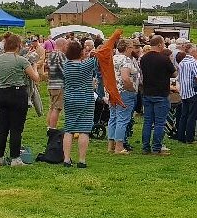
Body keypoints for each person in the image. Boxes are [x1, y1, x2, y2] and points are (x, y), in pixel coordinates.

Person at [61, 32, 120, 167]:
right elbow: (102, 53)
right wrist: (95, 51)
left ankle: (66, 159)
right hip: (85, 99)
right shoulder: (86, 65)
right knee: (84, 130)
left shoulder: (66, 66)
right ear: (80, 52)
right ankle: (81, 160)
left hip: (69, 98)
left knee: (69, 129)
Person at [0, 33, 39, 166]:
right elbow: (36, 78)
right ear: (18, 45)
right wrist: (34, 65)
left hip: (1, 93)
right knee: (16, 128)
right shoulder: (21, 61)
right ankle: (15, 158)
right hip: (17, 94)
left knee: (2, 127)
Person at [139, 35, 177, 155]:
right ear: (160, 44)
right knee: (160, 123)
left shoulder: (144, 58)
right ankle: (156, 147)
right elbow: (174, 74)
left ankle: (145, 147)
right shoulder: (164, 59)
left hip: (147, 92)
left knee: (147, 122)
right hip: (161, 93)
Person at [106, 38, 140, 155]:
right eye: (131, 47)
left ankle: (111, 145)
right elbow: (125, 77)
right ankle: (119, 147)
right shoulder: (126, 60)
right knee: (122, 119)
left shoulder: (113, 58)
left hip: (112, 92)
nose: (132, 50)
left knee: (113, 118)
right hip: (124, 93)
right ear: (126, 48)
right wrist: (131, 88)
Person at [175, 46, 197, 143]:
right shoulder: (194, 63)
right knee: (192, 116)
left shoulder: (182, 63)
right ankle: (190, 137)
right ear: (193, 52)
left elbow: (178, 77)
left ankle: (181, 136)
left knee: (184, 115)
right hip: (194, 92)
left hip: (184, 91)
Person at [45, 37, 66, 129]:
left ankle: (49, 126)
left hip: (51, 83)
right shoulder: (60, 55)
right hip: (59, 84)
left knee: (52, 106)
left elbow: (48, 67)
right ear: (63, 45)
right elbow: (64, 69)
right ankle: (52, 128)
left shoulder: (51, 54)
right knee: (57, 108)